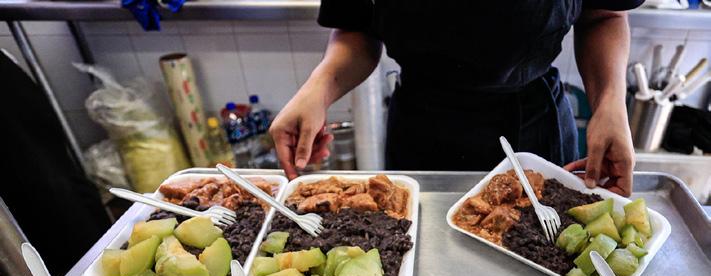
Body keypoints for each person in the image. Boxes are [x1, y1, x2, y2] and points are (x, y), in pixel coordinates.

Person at [269, 1, 640, 196]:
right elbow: (356, 27)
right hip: (421, 130)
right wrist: (319, 88)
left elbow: (604, 15)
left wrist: (610, 101)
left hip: (532, 126)